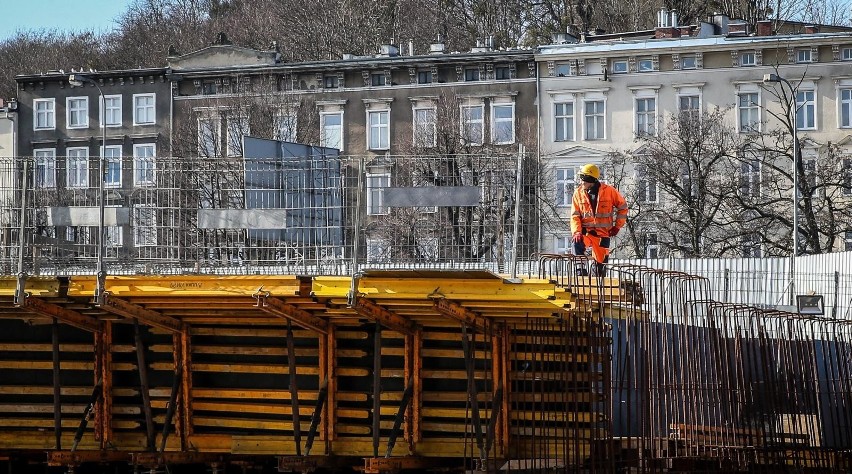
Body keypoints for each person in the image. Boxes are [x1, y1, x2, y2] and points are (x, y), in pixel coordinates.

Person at [570, 164, 628, 276]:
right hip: (586, 233)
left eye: (583, 179)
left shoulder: (609, 191)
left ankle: (596, 281)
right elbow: (575, 216)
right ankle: (580, 272)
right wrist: (577, 232)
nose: (581, 182)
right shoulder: (578, 193)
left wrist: (617, 226)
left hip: (603, 235)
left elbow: (623, 207)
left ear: (590, 179)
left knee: (600, 270)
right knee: (576, 242)